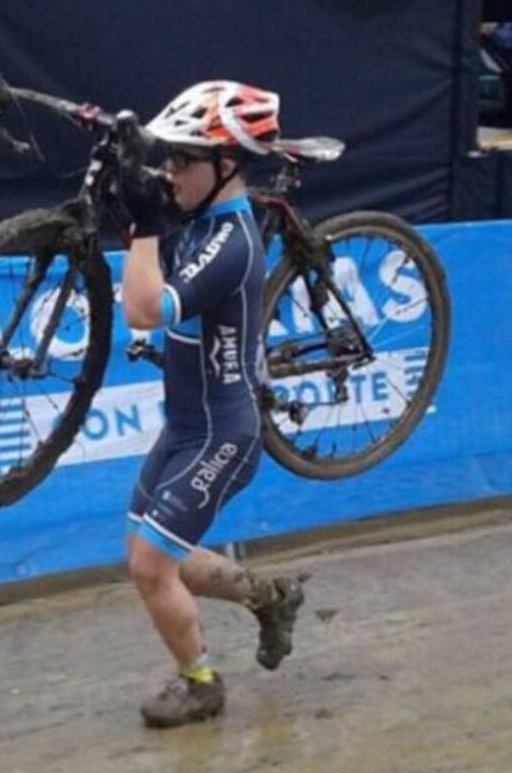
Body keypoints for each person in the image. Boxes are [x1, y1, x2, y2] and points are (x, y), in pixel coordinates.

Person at [119, 82, 306, 729]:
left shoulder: (230, 243)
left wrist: (141, 223)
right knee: (155, 556)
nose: (171, 172)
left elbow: (142, 309)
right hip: (184, 426)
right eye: (169, 159)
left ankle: (200, 683)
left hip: (221, 434)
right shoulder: (197, 217)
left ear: (226, 165)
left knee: (150, 565)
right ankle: (268, 596)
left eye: (183, 161)